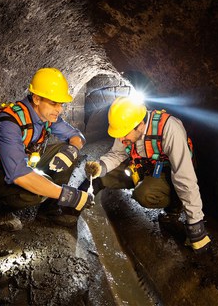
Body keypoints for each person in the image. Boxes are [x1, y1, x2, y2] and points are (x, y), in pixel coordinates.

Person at [80, 96, 211, 252]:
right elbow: (117, 154)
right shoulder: (127, 128)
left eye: (124, 134)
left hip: (168, 172)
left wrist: (195, 223)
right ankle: (79, 201)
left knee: (144, 194)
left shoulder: (170, 129)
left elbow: (184, 177)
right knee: (102, 175)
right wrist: (100, 166)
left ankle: (175, 206)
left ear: (140, 125)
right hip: (144, 167)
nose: (121, 139)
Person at [0, 68, 93, 231]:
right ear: (36, 98)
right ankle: (3, 208)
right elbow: (20, 175)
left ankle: (48, 211)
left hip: (25, 164)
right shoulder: (8, 124)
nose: (60, 109)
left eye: (61, 104)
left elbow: (78, 137)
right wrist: (71, 196)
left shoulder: (48, 117)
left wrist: (71, 150)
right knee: (37, 191)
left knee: (65, 149)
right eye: (53, 103)